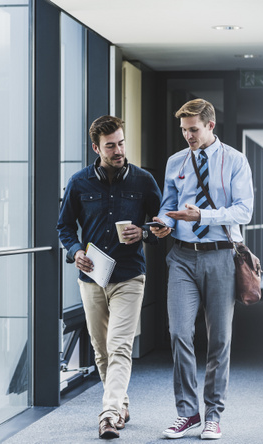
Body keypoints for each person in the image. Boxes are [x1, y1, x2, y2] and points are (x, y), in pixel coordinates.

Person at [150, 99, 254, 440]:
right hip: (181, 256)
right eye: (183, 130)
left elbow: (243, 212)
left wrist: (203, 217)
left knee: (219, 340)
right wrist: (163, 223)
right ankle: (187, 412)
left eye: (193, 129)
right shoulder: (176, 161)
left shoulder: (235, 161)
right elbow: (168, 204)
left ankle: (213, 414)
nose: (188, 136)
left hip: (221, 256)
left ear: (210, 125)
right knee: (179, 333)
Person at [57, 115, 162, 439]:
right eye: (110, 146)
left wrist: (143, 231)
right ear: (96, 148)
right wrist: (75, 251)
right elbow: (64, 227)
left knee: (118, 346)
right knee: (101, 350)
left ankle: (108, 413)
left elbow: (161, 226)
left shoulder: (143, 181)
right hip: (92, 279)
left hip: (130, 275)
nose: (118, 150)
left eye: (120, 143)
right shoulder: (78, 182)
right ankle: (121, 403)